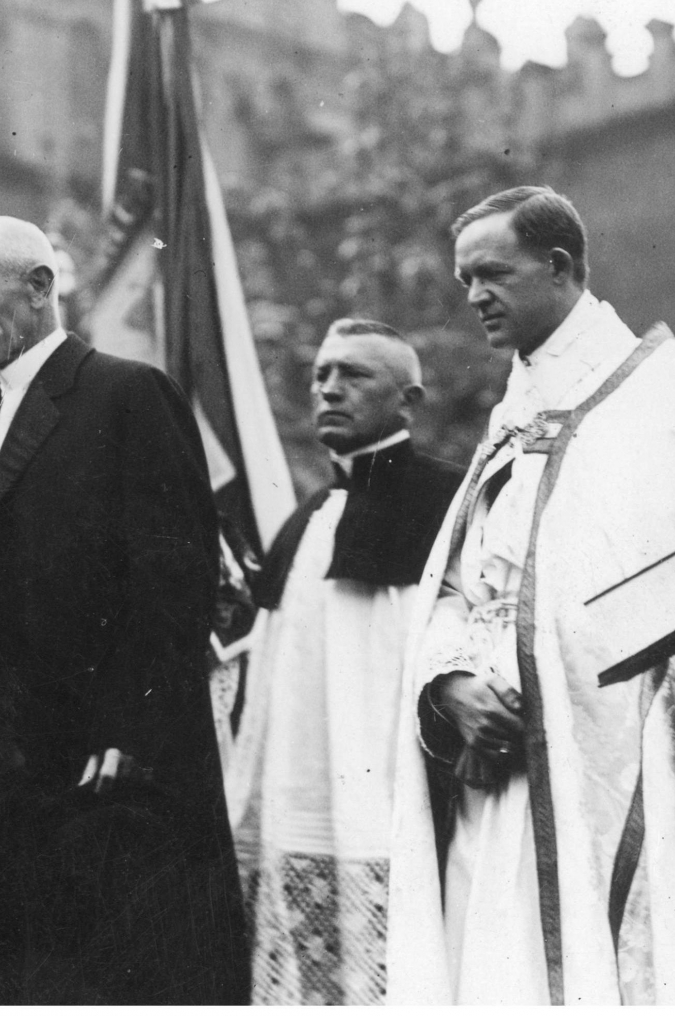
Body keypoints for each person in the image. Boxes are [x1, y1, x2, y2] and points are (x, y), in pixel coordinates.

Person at [385, 186, 675, 1004]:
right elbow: (459, 579)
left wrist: (525, 672)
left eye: (492, 274)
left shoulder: (657, 396)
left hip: (601, 764)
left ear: (558, 266)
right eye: (465, 279)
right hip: (492, 761)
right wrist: (451, 681)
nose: (475, 296)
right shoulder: (517, 404)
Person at [0, 216, 247, 1003]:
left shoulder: (128, 394)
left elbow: (175, 581)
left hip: (106, 778)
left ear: (39, 287)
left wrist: (132, 730)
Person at [225, 318, 461, 1004]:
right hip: (297, 788)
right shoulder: (308, 516)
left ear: (408, 403)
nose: (329, 389)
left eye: (353, 375)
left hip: (394, 786)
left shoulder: (447, 499)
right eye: (321, 374)